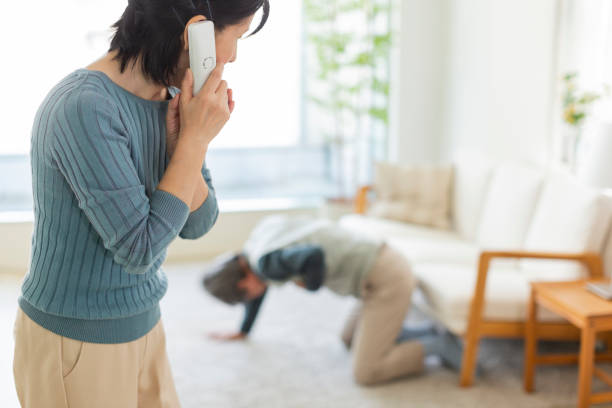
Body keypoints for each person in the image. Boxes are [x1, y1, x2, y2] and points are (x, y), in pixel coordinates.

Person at [12, 1, 270, 407]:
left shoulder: (169, 96)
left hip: (144, 322)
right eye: (236, 36)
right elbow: (139, 249)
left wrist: (188, 144)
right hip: (77, 338)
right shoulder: (84, 108)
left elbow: (199, 222)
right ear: (196, 33)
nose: (234, 56)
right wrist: (194, 142)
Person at [203, 215, 464, 386]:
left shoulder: (267, 266)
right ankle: (418, 332)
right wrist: (243, 330)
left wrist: (310, 285)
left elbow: (313, 255)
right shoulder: (257, 247)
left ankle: (439, 345)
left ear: (243, 282)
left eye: (244, 295)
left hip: (388, 279)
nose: (251, 298)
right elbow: (261, 290)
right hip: (378, 271)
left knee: (366, 372)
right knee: (348, 340)